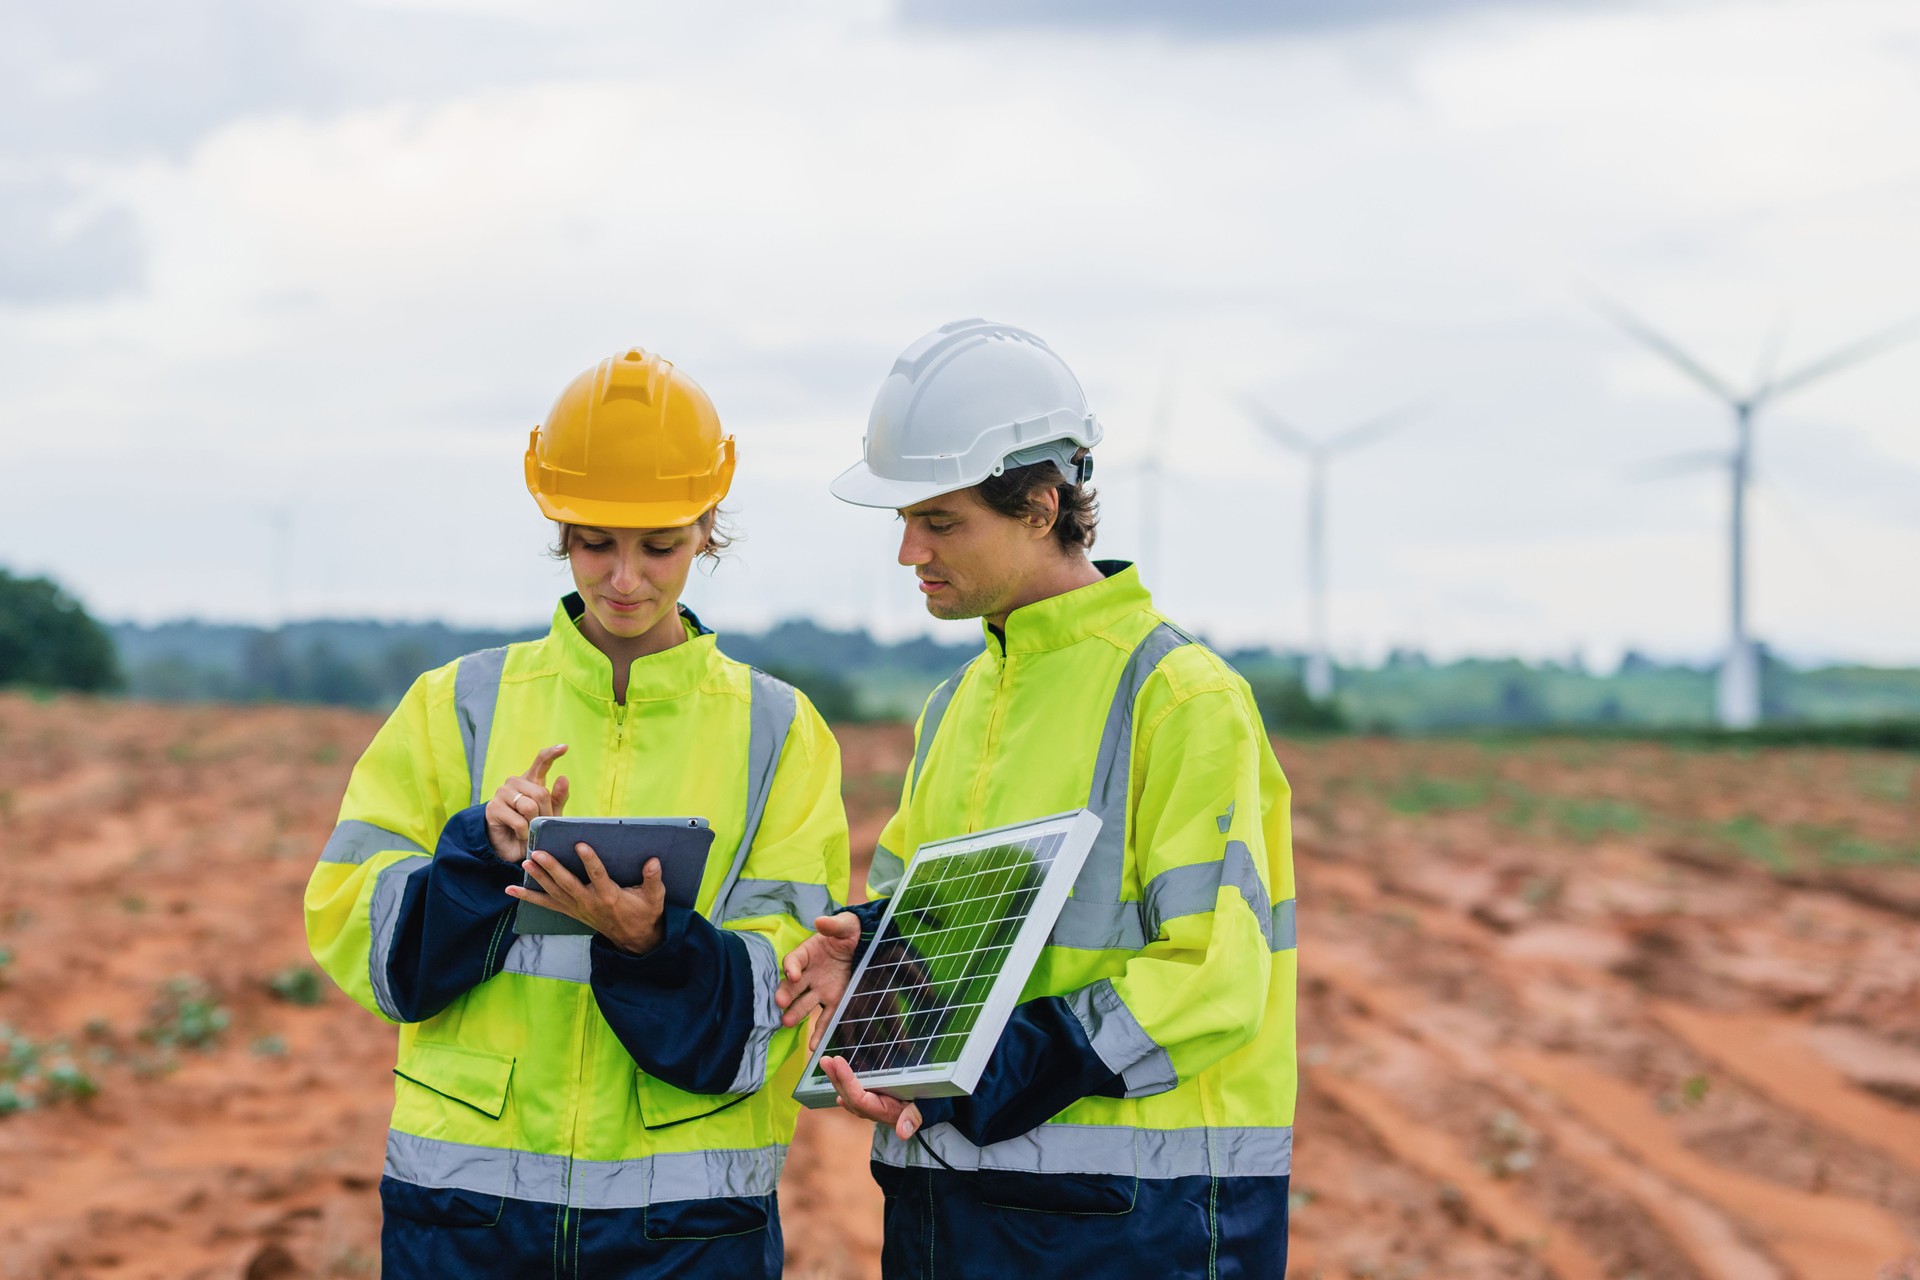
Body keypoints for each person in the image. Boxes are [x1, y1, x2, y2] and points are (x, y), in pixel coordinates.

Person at [305, 347, 850, 1278]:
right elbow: (357, 937)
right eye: (596, 541)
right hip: (467, 1211)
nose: (625, 578)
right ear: (559, 528)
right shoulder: (458, 704)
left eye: (660, 546)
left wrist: (656, 947)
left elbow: (784, 986)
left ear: (707, 531)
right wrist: (477, 854)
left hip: (684, 1223)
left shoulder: (778, 731)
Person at [777, 319, 1297, 1277]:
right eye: (905, 522)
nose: (908, 553)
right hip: (952, 1205)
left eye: (939, 522)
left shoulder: (1181, 699)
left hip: (1136, 1232)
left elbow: (1211, 975)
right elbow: (937, 921)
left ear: (1040, 505)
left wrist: (988, 1066)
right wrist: (870, 947)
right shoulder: (960, 704)